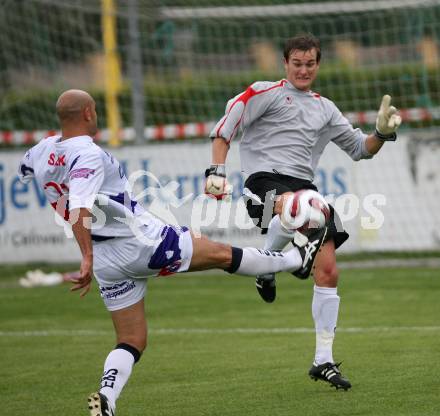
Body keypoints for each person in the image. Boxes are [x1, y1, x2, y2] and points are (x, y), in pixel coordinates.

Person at [18, 89, 328, 415]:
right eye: (95, 110)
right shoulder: (88, 154)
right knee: (222, 254)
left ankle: (107, 397)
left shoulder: (41, 151)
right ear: (88, 113)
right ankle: (295, 259)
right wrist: (85, 257)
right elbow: (80, 207)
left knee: (132, 339)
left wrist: (90, 255)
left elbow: (29, 170)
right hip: (140, 242)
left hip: (108, 262)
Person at [205, 34, 401, 390]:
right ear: (285, 64)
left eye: (310, 64)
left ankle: (322, 360)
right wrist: (216, 171)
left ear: (318, 65)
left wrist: (381, 133)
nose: (303, 70)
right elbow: (226, 127)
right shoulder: (265, 92)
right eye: (297, 63)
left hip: (304, 189)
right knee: (301, 208)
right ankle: (279, 258)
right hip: (263, 181)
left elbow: (360, 149)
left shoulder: (325, 108)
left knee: (328, 272)